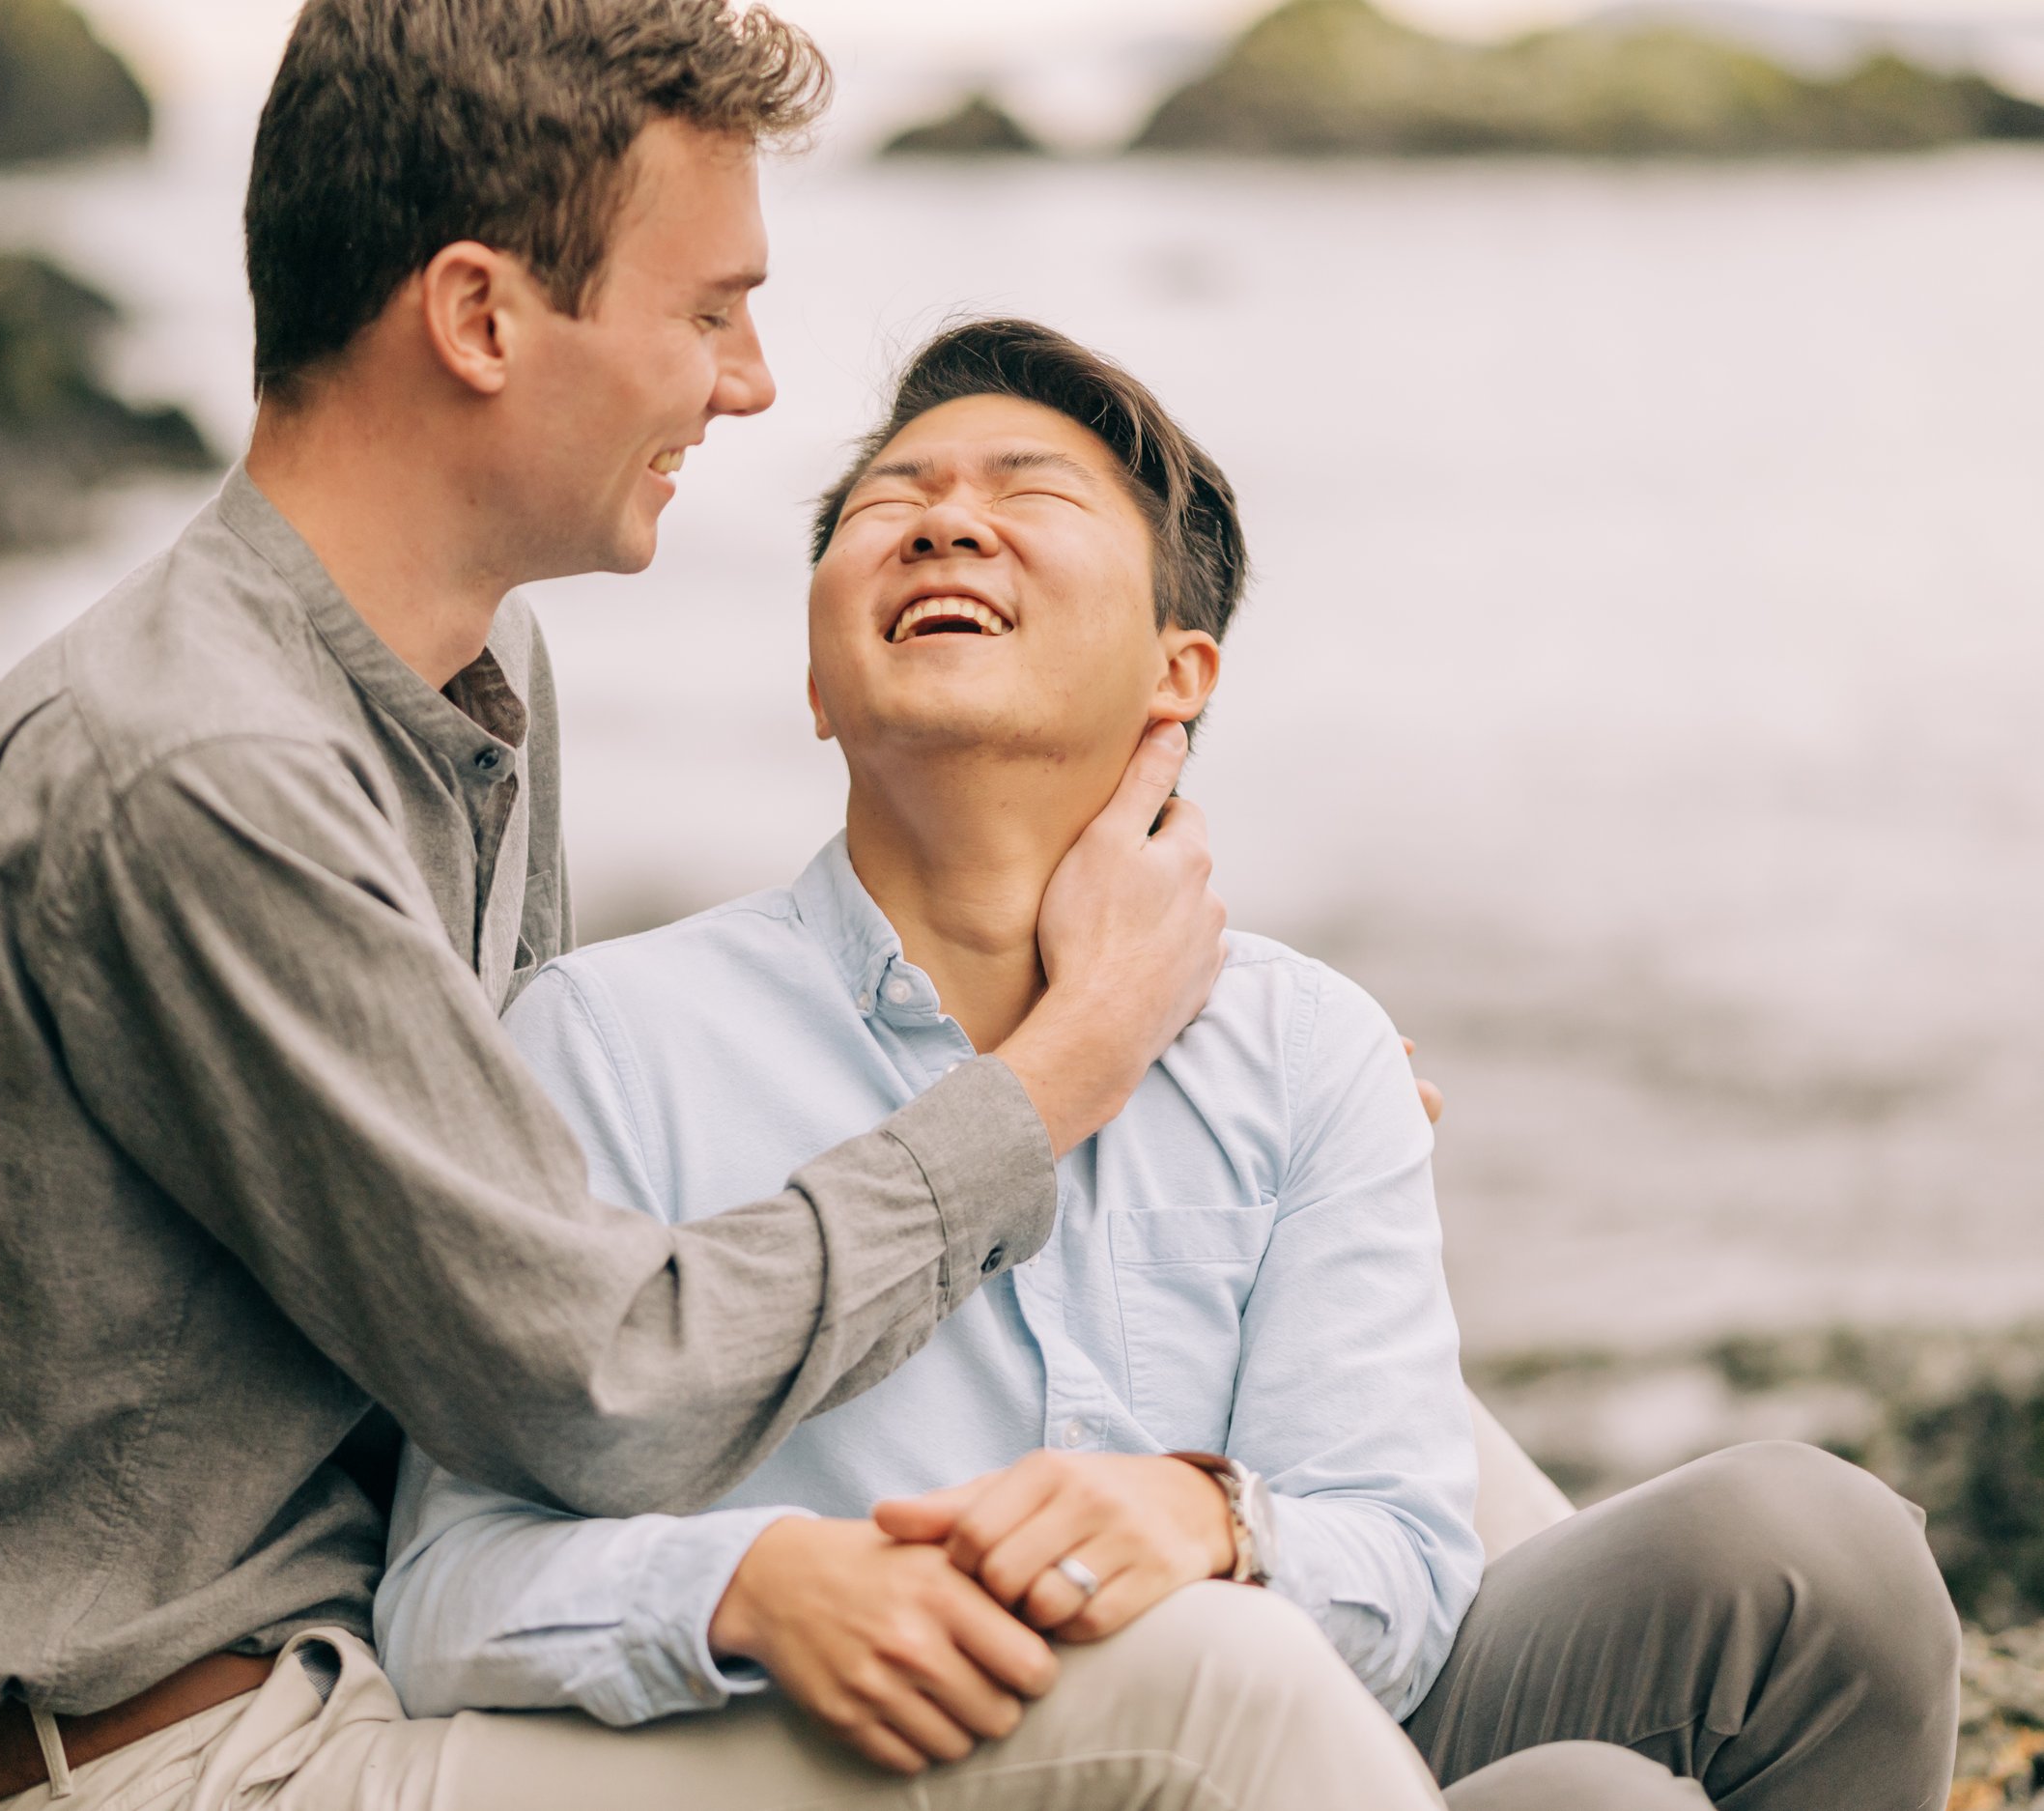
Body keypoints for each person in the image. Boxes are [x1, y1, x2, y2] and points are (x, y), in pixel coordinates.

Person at [0, 6, 1251, 1810]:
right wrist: (1077, 1057)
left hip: (407, 1644)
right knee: (1198, 1710)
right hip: (208, 1755)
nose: (755, 382)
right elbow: (601, 1378)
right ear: (481, 319)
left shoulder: (480, 670)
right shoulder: (198, 769)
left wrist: (1221, 1057)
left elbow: (546, 1195)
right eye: (708, 310)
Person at [375, 320, 1966, 1810]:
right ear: (813, 682)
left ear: (1175, 675)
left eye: (1026, 492)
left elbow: (1406, 1574)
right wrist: (766, 1587)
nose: (943, 524)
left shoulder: (1304, 1046)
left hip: (1292, 1734)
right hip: (904, 1762)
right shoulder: (612, 1035)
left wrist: (1213, 1523)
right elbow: (449, 1588)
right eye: (894, 502)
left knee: (1814, 1544)